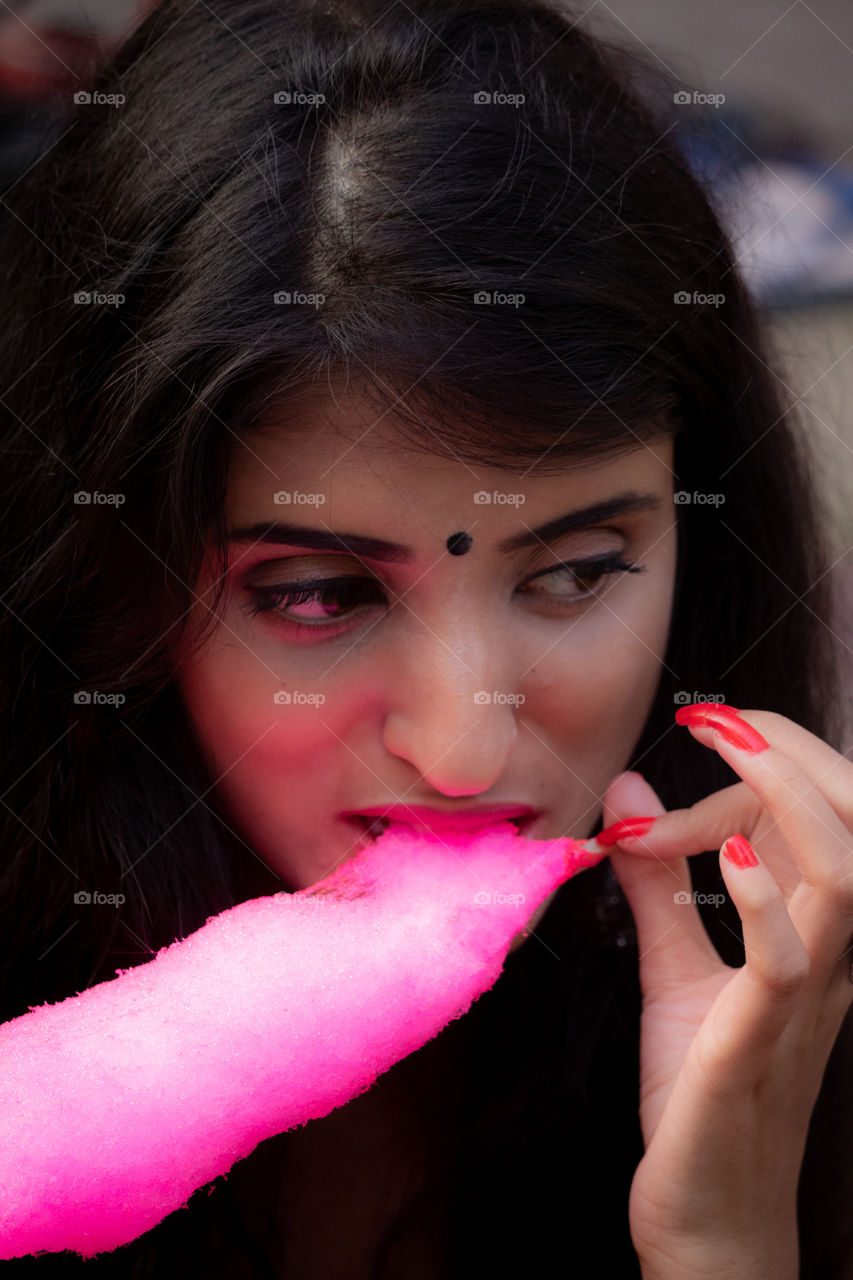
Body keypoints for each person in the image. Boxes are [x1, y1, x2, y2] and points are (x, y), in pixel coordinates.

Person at [0, 0, 851, 1276]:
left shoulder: (795, 1011)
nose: (464, 752)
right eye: (318, 595)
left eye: (574, 572)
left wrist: (725, 1237)